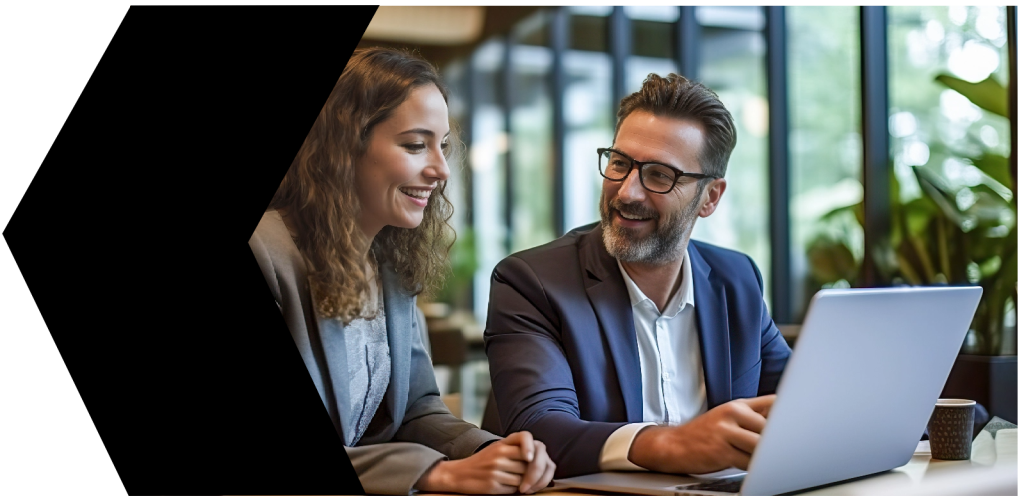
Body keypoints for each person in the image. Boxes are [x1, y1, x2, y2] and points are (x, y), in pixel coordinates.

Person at [248, 47, 555, 495]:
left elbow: (416, 409)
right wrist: (431, 472)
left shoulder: (389, 266)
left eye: (443, 146)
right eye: (415, 145)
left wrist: (488, 451)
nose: (441, 169)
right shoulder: (263, 252)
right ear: (341, 146)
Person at [483, 73, 792, 479]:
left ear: (710, 197)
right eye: (620, 164)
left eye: (660, 175)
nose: (628, 192)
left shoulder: (737, 279)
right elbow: (540, 429)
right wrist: (673, 444)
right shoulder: (530, 282)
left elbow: (797, 402)